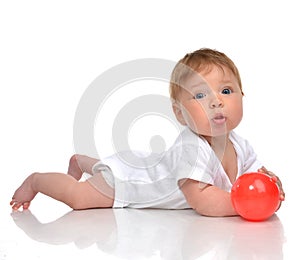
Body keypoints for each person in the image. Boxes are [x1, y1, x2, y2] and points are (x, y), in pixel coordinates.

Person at [10, 48, 285, 216]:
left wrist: (271, 185)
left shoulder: (240, 144)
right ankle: (37, 181)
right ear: (179, 113)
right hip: (129, 184)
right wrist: (244, 205)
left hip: (145, 166)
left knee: (117, 167)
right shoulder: (191, 147)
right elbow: (202, 199)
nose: (216, 101)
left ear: (242, 96)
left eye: (226, 91)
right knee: (80, 199)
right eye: (200, 95)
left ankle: (83, 161)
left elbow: (256, 174)